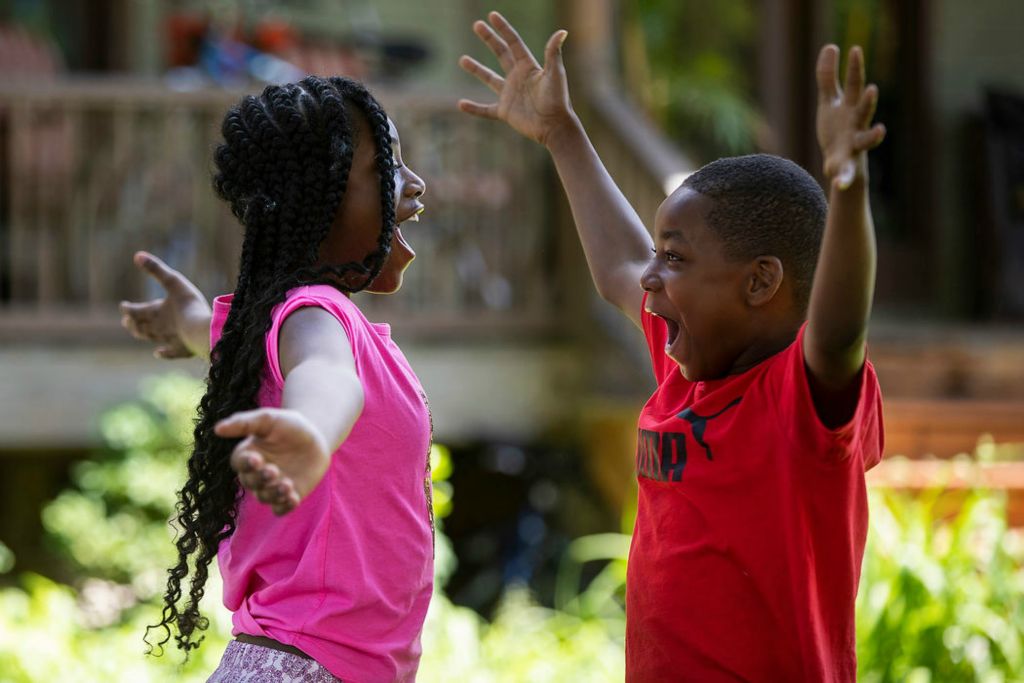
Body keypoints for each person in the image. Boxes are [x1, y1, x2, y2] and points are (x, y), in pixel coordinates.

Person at [458, 12, 886, 682]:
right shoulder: (686, 367)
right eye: (660, 254)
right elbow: (619, 269)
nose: (652, 277)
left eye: (677, 258)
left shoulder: (797, 402)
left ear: (760, 281)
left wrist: (849, 184)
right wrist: (562, 133)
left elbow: (838, 331)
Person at [120, 75, 432, 682]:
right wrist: (311, 429)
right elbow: (326, 375)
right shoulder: (319, 313)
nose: (415, 183)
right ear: (322, 197)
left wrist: (186, 321)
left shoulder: (275, 318)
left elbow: (235, 339)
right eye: (387, 166)